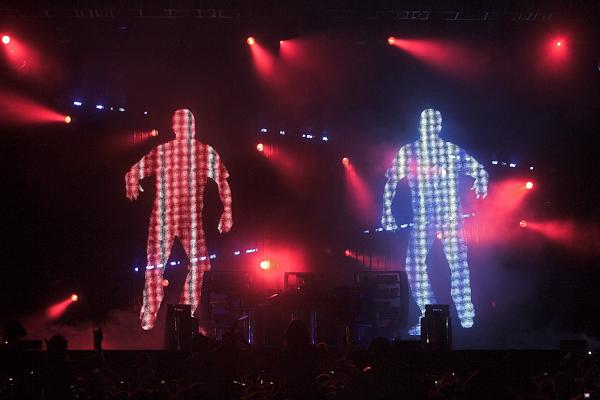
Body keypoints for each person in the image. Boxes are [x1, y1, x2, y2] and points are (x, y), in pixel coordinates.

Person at [382, 109, 488, 335]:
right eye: (424, 124)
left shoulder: (450, 151)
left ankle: (466, 314)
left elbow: (479, 169)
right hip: (423, 220)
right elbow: (391, 181)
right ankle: (428, 315)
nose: (427, 129)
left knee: (458, 264)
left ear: (439, 127)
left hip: (450, 219)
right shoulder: (409, 152)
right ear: (420, 126)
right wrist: (386, 212)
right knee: (414, 266)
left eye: (432, 125)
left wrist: (481, 180)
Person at [125, 109, 233, 330]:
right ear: (174, 128)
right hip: (163, 217)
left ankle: (185, 311)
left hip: (190, 220)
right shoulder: (163, 151)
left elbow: (223, 182)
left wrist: (228, 211)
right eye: (181, 125)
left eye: (188, 124)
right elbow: (133, 172)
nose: (185, 129)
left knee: (200, 264)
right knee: (155, 265)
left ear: (194, 127)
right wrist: (132, 182)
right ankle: (150, 313)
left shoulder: (205, 152)